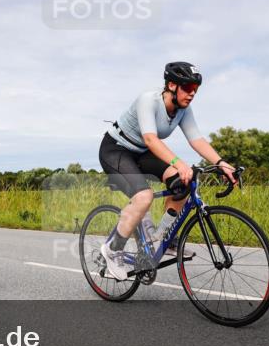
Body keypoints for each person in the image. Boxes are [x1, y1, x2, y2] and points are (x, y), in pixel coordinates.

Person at [98, 62, 237, 280]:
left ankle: (165, 238)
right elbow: (150, 139)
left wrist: (221, 162)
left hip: (142, 153)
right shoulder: (148, 100)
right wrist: (178, 162)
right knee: (144, 197)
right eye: (188, 88)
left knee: (183, 184)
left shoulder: (183, 110)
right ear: (172, 85)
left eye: (195, 90)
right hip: (116, 150)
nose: (192, 94)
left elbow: (197, 139)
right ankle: (113, 249)